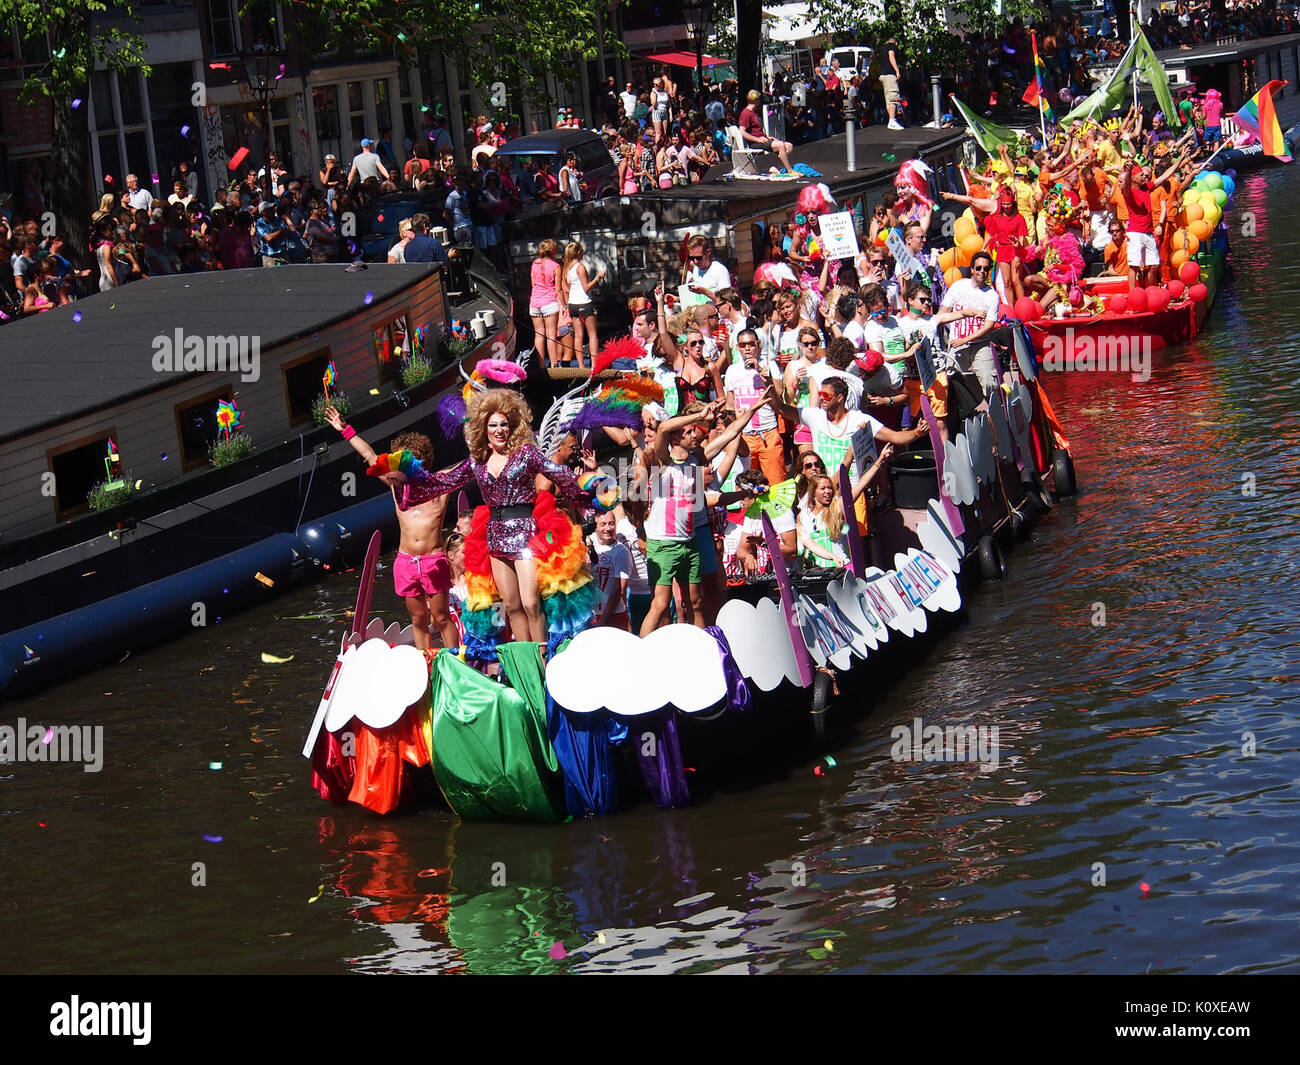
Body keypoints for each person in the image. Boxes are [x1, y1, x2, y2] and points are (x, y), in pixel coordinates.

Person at [379, 389, 606, 649]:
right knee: (511, 605)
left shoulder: (526, 454)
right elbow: (444, 482)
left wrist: (592, 493)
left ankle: (544, 656)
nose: (499, 430)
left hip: (526, 536)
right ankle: (526, 661)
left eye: (504, 425)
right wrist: (408, 480)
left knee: (531, 602)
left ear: (512, 427)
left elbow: (559, 473)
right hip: (496, 537)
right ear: (483, 428)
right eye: (493, 425)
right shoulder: (477, 462)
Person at [326, 410, 460, 652]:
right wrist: (345, 430)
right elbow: (369, 455)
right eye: (406, 460)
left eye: (416, 460)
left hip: (433, 560)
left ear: (425, 461)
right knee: (419, 620)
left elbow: (470, 465)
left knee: (441, 618)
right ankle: (425, 664)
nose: (411, 465)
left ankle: (457, 661)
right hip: (406, 563)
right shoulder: (396, 486)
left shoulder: (440, 485)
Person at [725, 327, 787, 486]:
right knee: (747, 488)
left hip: (768, 434)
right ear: (737, 347)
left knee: (776, 486)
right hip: (745, 436)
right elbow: (730, 404)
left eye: (750, 344)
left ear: (758, 345)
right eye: (742, 345)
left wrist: (760, 371)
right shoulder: (732, 371)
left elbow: (780, 392)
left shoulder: (769, 366)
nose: (747, 349)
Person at [939, 249, 1002, 391]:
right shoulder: (958, 286)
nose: (982, 271)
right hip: (956, 343)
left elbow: (988, 326)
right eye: (978, 268)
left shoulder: (992, 296)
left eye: (986, 269)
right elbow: (944, 313)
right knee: (950, 380)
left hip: (980, 344)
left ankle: (995, 409)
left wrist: (965, 339)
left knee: (989, 382)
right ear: (972, 269)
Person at [558, 240, 604, 369]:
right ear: (578, 253)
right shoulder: (580, 267)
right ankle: (594, 364)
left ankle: (581, 365)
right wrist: (598, 277)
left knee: (578, 336)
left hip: (573, 304)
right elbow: (586, 287)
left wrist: (567, 305)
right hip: (585, 302)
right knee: (593, 335)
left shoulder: (567, 269)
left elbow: (566, 290)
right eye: (582, 252)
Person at [589, 511, 632, 630]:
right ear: (595, 526)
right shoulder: (589, 541)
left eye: (611, 524)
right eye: (603, 524)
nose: (607, 528)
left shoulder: (621, 551)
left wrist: (603, 621)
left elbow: (619, 591)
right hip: (590, 613)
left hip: (613, 615)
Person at [738, 90, 795, 172]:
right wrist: (758, 139)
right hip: (755, 142)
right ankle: (790, 170)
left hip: (762, 139)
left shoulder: (754, 113)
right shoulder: (746, 113)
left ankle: (775, 167)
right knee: (781, 145)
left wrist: (767, 137)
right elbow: (742, 132)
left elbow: (756, 130)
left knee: (789, 146)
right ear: (755, 100)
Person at [880, 35, 904, 131]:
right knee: (894, 95)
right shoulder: (891, 47)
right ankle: (892, 120)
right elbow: (891, 56)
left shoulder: (882, 49)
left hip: (883, 75)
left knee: (888, 98)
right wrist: (897, 70)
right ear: (896, 43)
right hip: (890, 74)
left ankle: (891, 119)